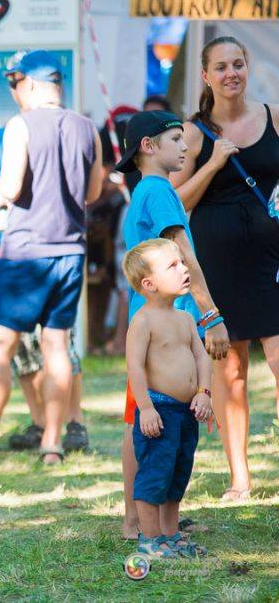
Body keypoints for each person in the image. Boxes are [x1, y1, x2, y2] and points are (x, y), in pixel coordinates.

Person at [0, 50, 103, 467]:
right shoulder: (87, 128)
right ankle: (52, 444)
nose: (13, 91)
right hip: (70, 252)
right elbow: (93, 193)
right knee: (57, 346)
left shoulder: (19, 125)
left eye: (15, 83)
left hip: (24, 253)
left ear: (32, 83)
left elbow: (11, 186)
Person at [170, 36, 279, 502]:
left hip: (272, 259)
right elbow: (176, 202)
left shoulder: (273, 116)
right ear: (206, 76)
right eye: (221, 67)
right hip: (220, 264)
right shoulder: (193, 133)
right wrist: (213, 164)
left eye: (238, 64)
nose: (231, 73)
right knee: (231, 371)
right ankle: (240, 478)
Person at [115, 109, 229, 539]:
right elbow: (184, 252)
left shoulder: (151, 190)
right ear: (149, 146)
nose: (185, 147)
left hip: (165, 322)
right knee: (142, 423)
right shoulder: (159, 192)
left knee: (160, 425)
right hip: (158, 327)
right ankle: (136, 523)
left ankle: (158, 520)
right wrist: (210, 314)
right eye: (176, 139)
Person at [0, 96, 89, 456]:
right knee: (32, 347)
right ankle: (45, 430)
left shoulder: (26, 129)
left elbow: (0, 190)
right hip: (48, 250)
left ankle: (72, 424)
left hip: (27, 253)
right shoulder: (9, 134)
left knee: (47, 345)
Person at [122, 238, 212, 558]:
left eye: (183, 263)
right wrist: (145, 408)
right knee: (155, 474)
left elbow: (201, 358)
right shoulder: (143, 321)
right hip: (159, 410)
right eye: (173, 266)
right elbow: (134, 367)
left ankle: (171, 535)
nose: (184, 269)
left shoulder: (186, 319)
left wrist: (204, 393)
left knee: (178, 473)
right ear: (149, 284)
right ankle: (150, 538)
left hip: (186, 412)